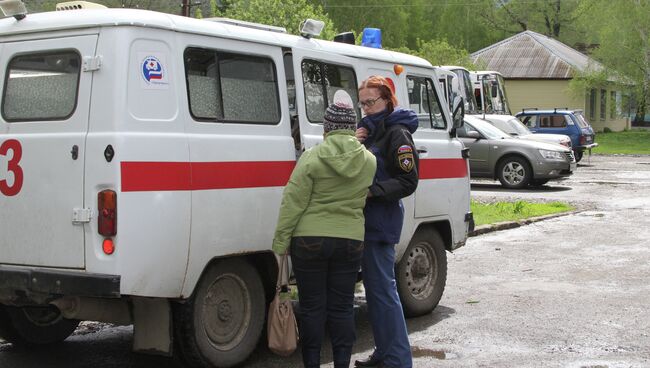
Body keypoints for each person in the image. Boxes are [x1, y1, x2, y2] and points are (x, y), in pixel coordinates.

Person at [272, 90, 377, 368]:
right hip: (350, 241)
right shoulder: (369, 161)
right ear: (353, 128)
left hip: (309, 240)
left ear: (327, 128)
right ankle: (342, 363)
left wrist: (280, 242)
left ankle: (312, 364)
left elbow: (292, 202)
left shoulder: (311, 158)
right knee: (343, 307)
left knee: (311, 308)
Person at [353, 76, 419, 368]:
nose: (366, 108)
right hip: (367, 221)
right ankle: (384, 353)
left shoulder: (398, 134)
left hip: (381, 221)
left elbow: (408, 180)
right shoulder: (372, 131)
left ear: (387, 100)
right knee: (375, 292)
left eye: (371, 102)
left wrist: (372, 192)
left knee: (383, 292)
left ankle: (398, 361)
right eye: (362, 103)